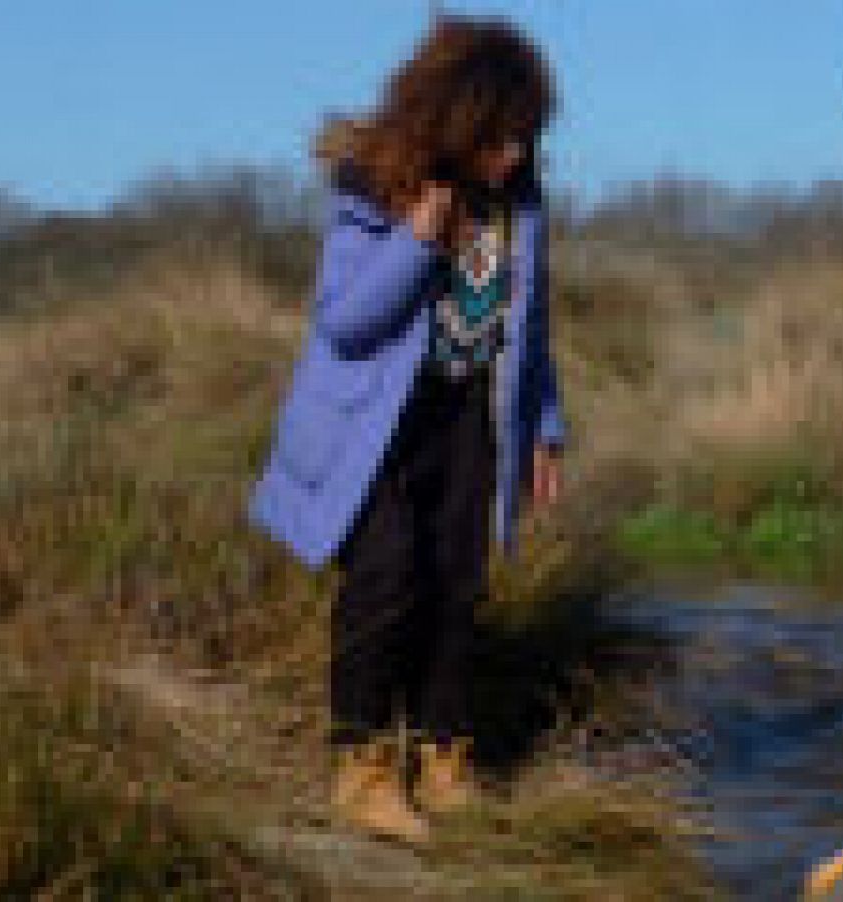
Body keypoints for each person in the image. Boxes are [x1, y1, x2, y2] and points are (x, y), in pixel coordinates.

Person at [248, 16, 567, 843]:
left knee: (457, 586)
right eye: (499, 139)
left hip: (470, 415)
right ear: (455, 123)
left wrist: (544, 425)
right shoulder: (372, 189)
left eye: (526, 140)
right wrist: (418, 241)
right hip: (373, 428)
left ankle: (444, 760)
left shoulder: (521, 202)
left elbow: (529, 326)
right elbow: (345, 325)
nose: (514, 157)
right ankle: (359, 773)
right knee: (386, 582)